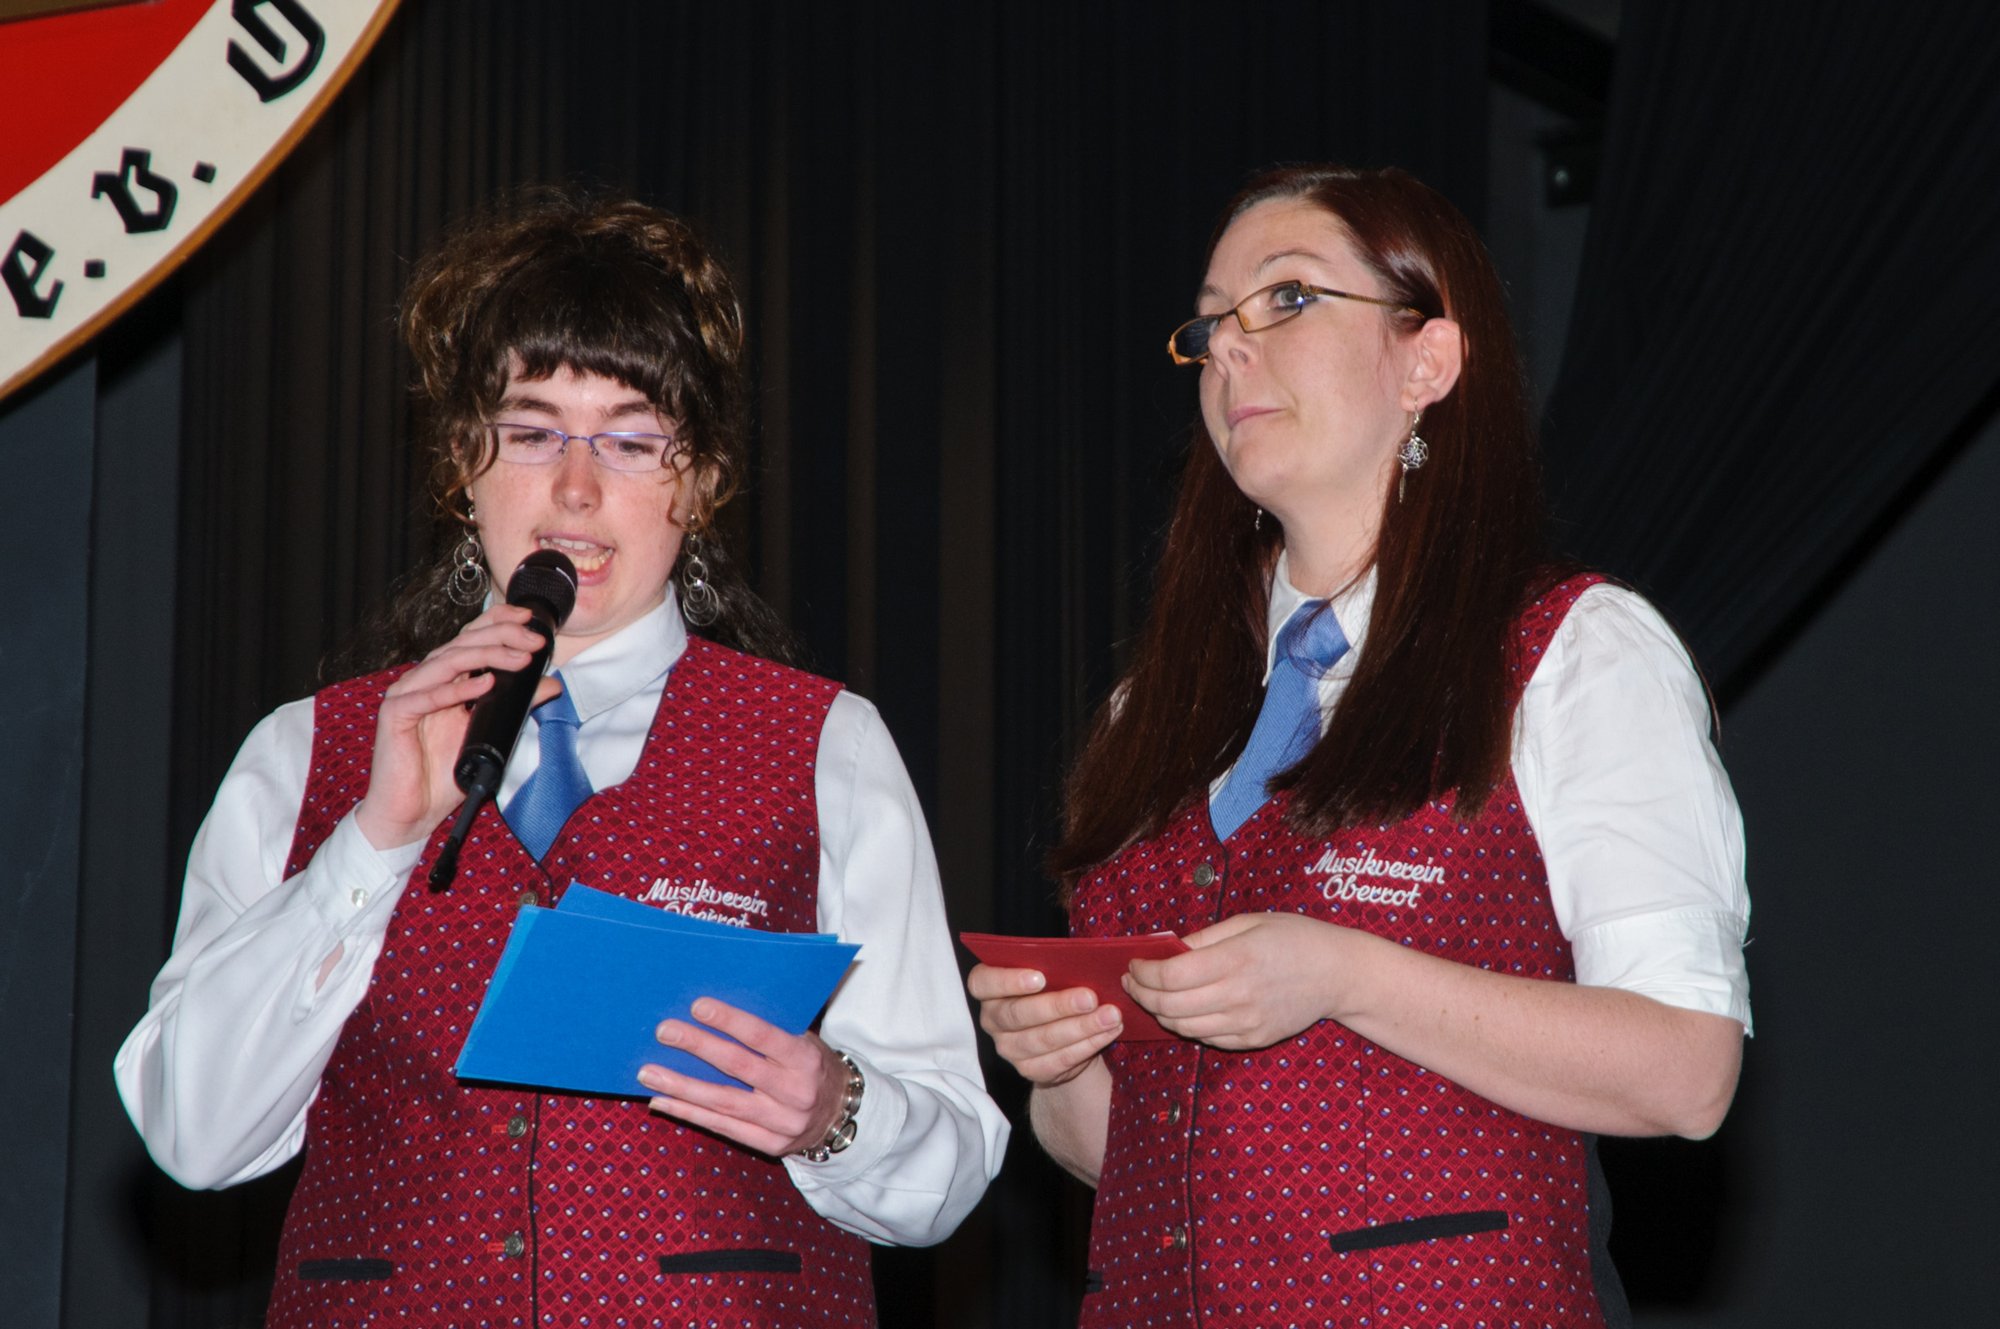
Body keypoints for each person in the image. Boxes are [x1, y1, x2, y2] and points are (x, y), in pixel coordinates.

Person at [116, 189, 1006, 1329]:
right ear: (460, 464)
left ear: (701, 483)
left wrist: (830, 1109)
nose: (575, 489)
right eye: (531, 433)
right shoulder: (307, 750)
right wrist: (372, 841)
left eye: (632, 441)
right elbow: (192, 1134)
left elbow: (954, 1164)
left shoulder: (824, 742)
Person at [968, 164, 1750, 1328]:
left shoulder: (1567, 652)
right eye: (1209, 324)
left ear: (1425, 362)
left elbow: (1684, 1072)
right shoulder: (1153, 710)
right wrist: (1064, 1061)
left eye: (1283, 301)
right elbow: (1114, 1154)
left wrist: (1341, 973)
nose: (1229, 348)